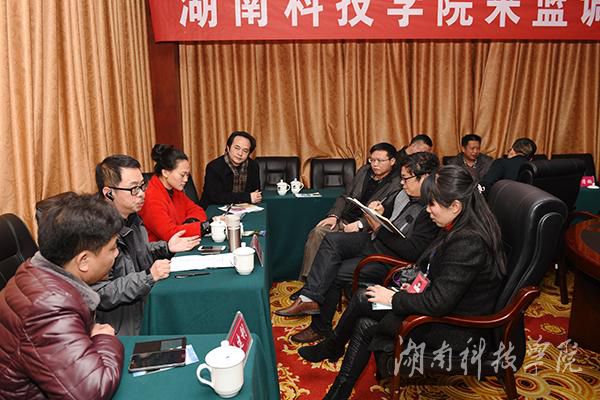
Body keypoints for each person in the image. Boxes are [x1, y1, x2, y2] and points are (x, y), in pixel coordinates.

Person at [298, 165, 507, 400]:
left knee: (365, 306)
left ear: (455, 206)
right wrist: (413, 286)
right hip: (442, 308)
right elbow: (439, 276)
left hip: (454, 329)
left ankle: (334, 354)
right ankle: (336, 374)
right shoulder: (459, 225)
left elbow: (438, 303)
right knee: (365, 302)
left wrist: (394, 298)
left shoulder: (468, 241)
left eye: (432, 204)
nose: (427, 210)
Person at [276, 153, 440, 344]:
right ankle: (309, 298)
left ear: (425, 178)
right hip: (378, 241)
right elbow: (386, 213)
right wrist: (378, 211)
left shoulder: (432, 210)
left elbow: (412, 252)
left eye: (406, 178)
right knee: (332, 239)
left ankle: (319, 328)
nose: (402, 183)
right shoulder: (404, 193)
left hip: (392, 258)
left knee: (334, 271)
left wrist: (378, 228)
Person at [0, 194, 124, 399]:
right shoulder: (49, 307)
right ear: (83, 261)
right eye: (112, 248)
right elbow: (91, 392)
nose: (116, 254)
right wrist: (104, 338)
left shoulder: (35, 268)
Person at [94, 154, 200, 335]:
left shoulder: (132, 218)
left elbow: (139, 254)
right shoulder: (97, 232)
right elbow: (101, 293)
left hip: (145, 306)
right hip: (122, 327)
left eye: (142, 186)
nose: (142, 193)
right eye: (134, 189)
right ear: (109, 193)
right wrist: (149, 277)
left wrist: (167, 247)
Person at [298, 142, 402, 282]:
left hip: (367, 229)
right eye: (372, 160)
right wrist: (334, 216)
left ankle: (317, 283)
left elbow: (387, 213)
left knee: (332, 242)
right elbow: (345, 196)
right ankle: (308, 280)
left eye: (380, 161)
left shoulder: (397, 183)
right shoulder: (364, 171)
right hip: (345, 219)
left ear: (392, 161)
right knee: (318, 232)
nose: (375, 164)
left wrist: (360, 225)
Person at [139, 144, 208, 242]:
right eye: (182, 175)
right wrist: (204, 227)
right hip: (162, 248)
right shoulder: (151, 196)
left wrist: (191, 222)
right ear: (165, 173)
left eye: (187, 175)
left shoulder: (175, 189)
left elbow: (197, 210)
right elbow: (170, 233)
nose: (186, 180)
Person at [200, 131, 261, 208]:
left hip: (243, 208)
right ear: (228, 148)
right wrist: (247, 197)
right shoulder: (213, 167)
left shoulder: (253, 166)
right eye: (237, 148)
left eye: (245, 151)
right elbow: (216, 197)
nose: (240, 153)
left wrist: (252, 197)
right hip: (214, 208)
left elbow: (256, 193)